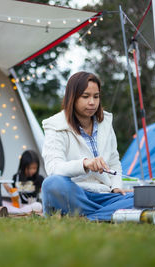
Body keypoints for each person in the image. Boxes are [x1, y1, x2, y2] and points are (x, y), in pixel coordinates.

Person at [41, 71, 133, 221]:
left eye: (96, 96)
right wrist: (85, 163)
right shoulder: (55, 125)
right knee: (52, 183)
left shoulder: (106, 123)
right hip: (75, 192)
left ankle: (85, 216)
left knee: (138, 198)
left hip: (104, 195)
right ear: (73, 97)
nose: (92, 102)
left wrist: (116, 187)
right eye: (85, 96)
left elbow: (114, 161)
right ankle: (111, 214)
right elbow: (54, 168)